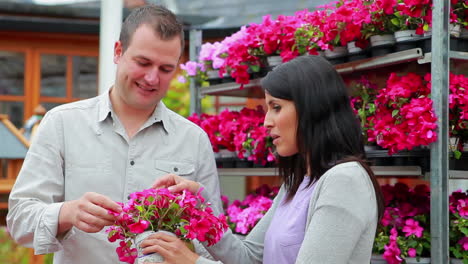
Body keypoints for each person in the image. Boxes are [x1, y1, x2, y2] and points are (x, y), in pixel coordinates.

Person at [7, 5, 222, 264]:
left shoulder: (194, 140)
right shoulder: (62, 124)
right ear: (118, 52)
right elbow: (19, 220)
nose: (152, 78)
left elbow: (214, 238)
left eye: (166, 69)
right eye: (143, 63)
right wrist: (67, 212)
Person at [142, 55, 385, 264]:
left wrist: (192, 260)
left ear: (312, 108)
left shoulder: (344, 181)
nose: (267, 121)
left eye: (276, 107)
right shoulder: (299, 183)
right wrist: (199, 206)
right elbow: (248, 258)